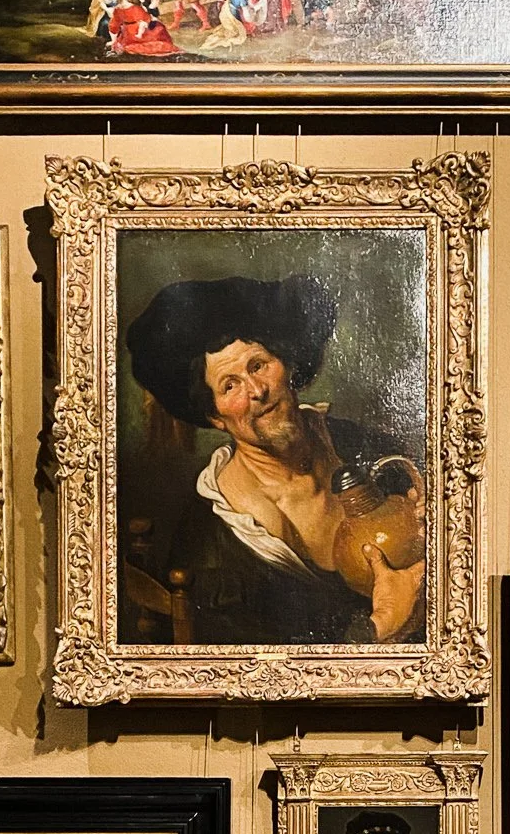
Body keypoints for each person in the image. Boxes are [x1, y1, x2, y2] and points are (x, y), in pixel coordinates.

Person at [123, 275, 424, 646]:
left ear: (288, 365)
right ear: (215, 417)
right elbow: (251, 670)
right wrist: (379, 626)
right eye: (229, 386)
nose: (256, 391)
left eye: (259, 365)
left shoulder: (367, 447)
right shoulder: (212, 536)